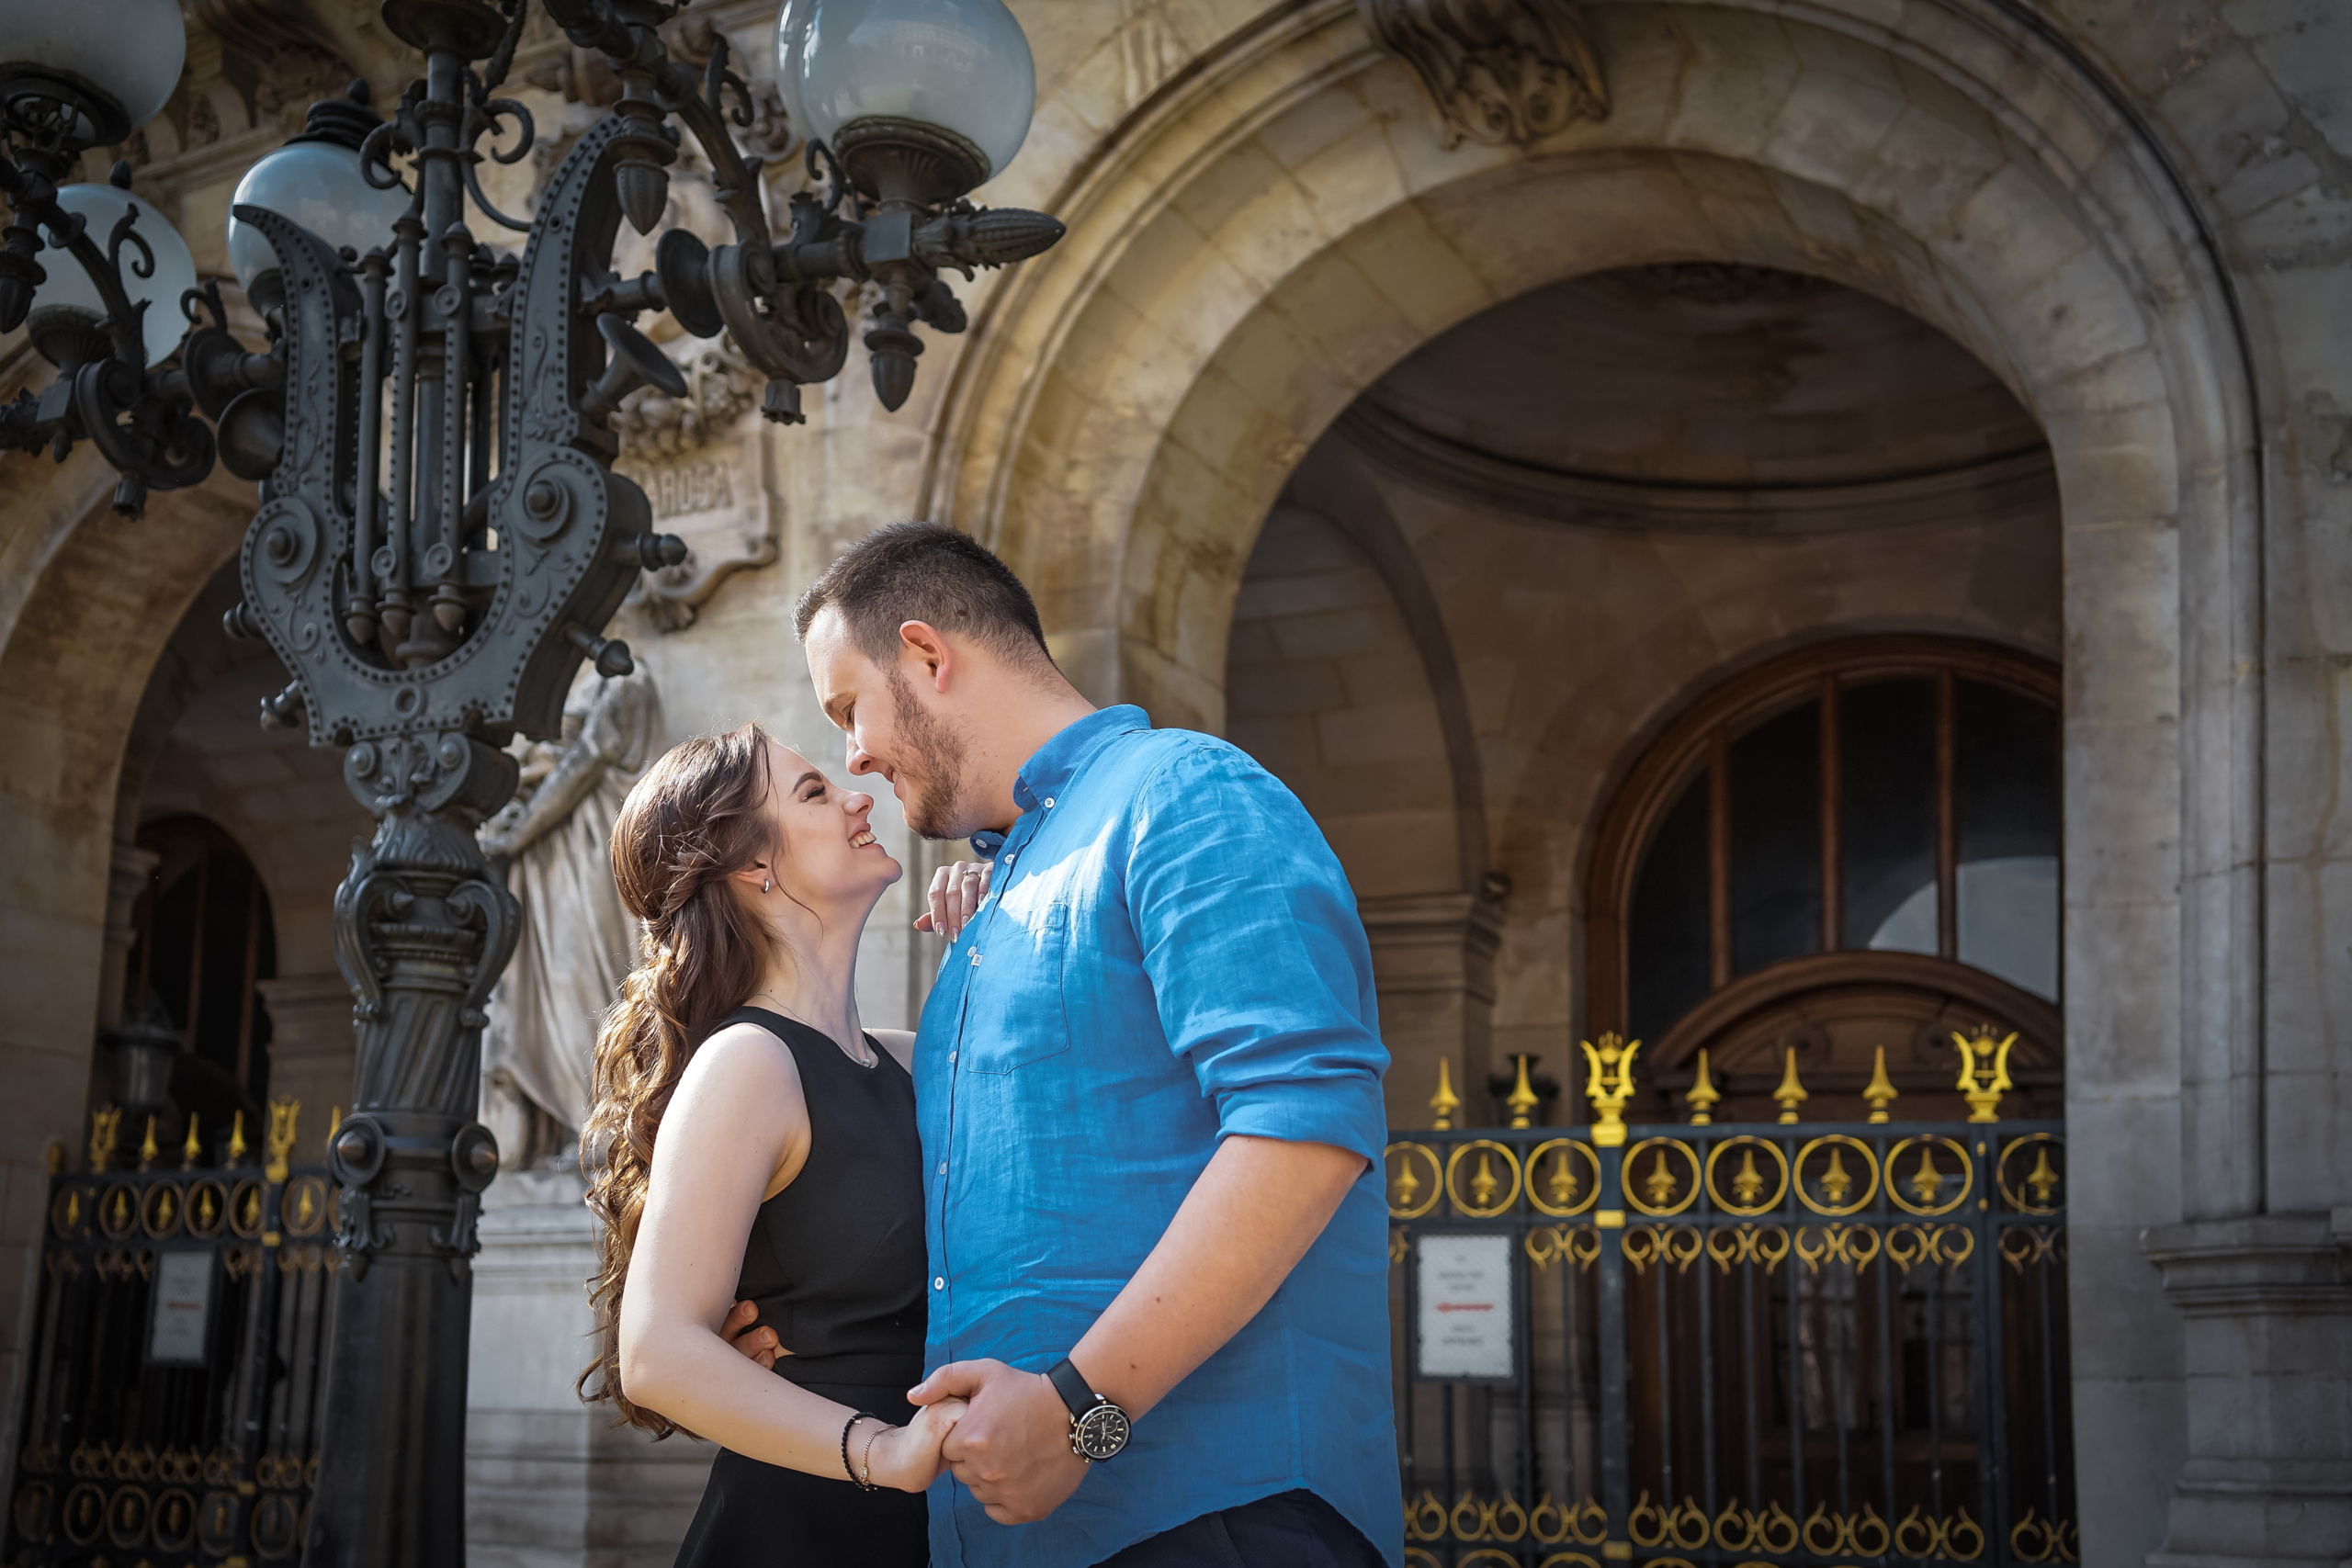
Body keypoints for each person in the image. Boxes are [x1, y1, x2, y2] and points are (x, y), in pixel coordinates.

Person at [771, 520, 1404, 1567]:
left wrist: (1077, 1414)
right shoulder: (995, 892)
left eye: (849, 709)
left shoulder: (1185, 792)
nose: (856, 757)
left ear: (927, 657)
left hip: (1220, 1523)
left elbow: (1305, 1130)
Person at [575, 722, 966, 1566]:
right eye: (815, 792)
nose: (859, 795)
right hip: (809, 1524)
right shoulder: (749, 1062)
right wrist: (882, 1451)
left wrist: (988, 929)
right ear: (756, 869)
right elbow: (655, 1351)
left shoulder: (907, 1058)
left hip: (930, 1520)